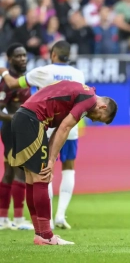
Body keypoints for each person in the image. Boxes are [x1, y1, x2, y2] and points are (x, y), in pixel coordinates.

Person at [0, 77, 117, 245]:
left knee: (32, 179)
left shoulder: (84, 93)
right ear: (102, 106)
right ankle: (47, 235)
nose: (93, 119)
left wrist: (50, 155)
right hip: (32, 121)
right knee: (42, 177)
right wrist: (51, 159)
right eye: (99, 117)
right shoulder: (89, 100)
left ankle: (40, 234)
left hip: (23, 118)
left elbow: (60, 127)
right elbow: (65, 128)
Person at [0, 40, 85, 230]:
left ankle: (42, 218)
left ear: (53, 54)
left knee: (41, 171)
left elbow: (14, 83)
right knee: (68, 168)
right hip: (70, 126)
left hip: (45, 126)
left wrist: (3, 71)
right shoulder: (78, 74)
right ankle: (60, 215)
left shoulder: (42, 71)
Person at [0, 44, 33, 230]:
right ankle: (19, 220)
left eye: (24, 55)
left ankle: (3, 218)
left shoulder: (22, 80)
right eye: (18, 56)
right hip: (13, 131)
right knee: (20, 171)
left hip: (19, 130)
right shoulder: (7, 82)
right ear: (10, 59)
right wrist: (15, 117)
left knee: (10, 172)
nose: (22, 59)